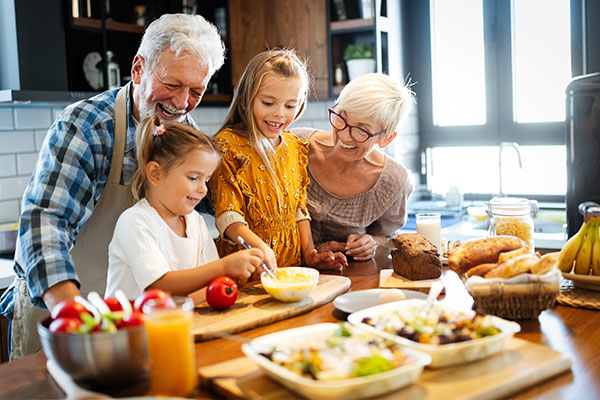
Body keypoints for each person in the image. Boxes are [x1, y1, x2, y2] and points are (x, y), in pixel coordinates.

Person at [0, 13, 225, 359]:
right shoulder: (87, 127)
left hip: (135, 320)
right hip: (63, 310)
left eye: (196, 90)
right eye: (173, 84)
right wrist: (72, 318)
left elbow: (220, 200)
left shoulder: (185, 133)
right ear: (138, 69)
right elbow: (45, 223)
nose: (182, 103)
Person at [209, 49, 347, 273]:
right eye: (268, 103)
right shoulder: (227, 145)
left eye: (290, 106)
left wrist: (310, 253)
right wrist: (260, 248)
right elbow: (228, 216)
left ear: (300, 104)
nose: (279, 114)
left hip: (292, 269)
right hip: (248, 271)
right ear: (246, 98)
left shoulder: (294, 147)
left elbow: (298, 209)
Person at [105, 116, 263, 301]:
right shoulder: (135, 221)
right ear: (155, 174)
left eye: (206, 179)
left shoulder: (195, 221)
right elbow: (157, 287)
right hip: (132, 328)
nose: (203, 189)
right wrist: (225, 266)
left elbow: (209, 284)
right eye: (193, 178)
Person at [293, 73, 414, 261]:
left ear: (386, 138)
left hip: (351, 280)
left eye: (362, 129)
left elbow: (387, 236)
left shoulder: (393, 181)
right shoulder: (294, 145)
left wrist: (372, 242)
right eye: (342, 116)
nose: (345, 135)